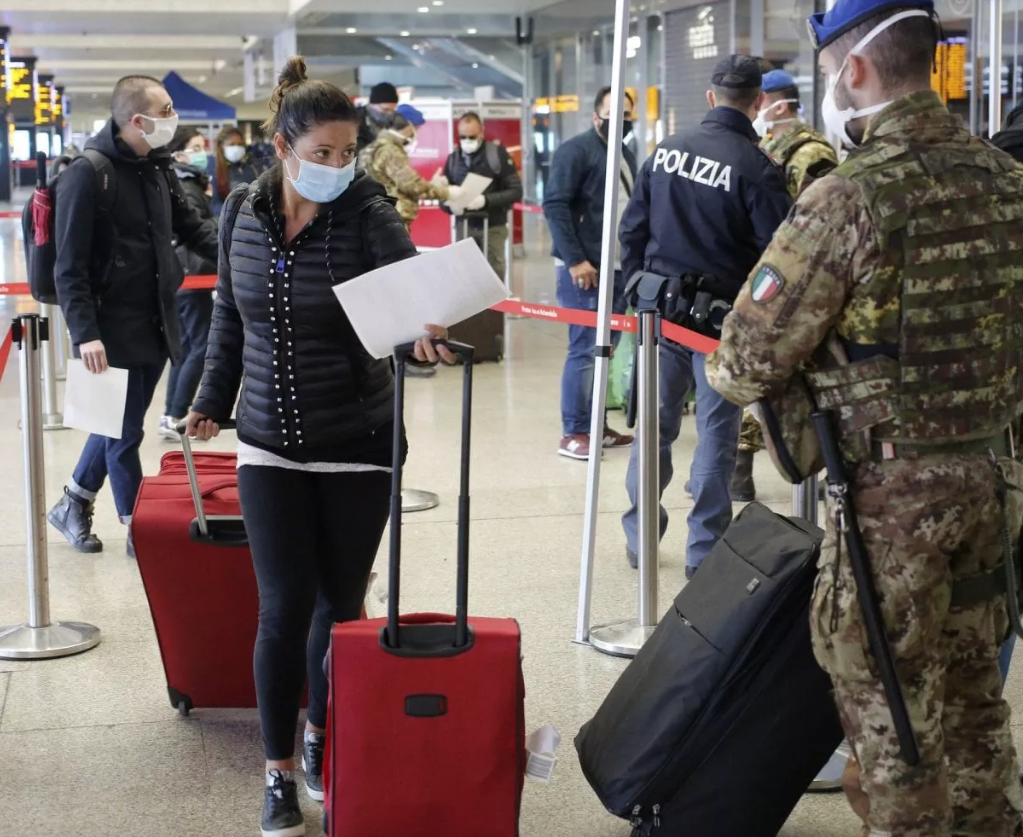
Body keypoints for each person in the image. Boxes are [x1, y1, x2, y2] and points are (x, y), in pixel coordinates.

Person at [705, 0, 1023, 832]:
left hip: (893, 501)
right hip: (993, 481)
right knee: (974, 697)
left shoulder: (848, 196)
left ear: (852, 70)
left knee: (892, 714)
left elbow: (743, 361)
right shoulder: (1007, 179)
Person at [185, 56, 453, 837]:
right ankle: (275, 772)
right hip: (268, 440)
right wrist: (209, 399)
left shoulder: (368, 211)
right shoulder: (241, 211)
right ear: (282, 147)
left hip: (358, 440)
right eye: (322, 152)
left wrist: (423, 336)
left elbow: (404, 304)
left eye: (346, 151)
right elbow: (229, 319)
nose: (337, 164)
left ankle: (320, 736)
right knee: (281, 609)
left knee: (339, 605)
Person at [618, 56, 791, 573]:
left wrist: (640, 289)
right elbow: (779, 258)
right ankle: (704, 553)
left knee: (654, 429)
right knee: (717, 435)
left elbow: (632, 229)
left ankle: (641, 539)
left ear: (711, 97)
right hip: (720, 327)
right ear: (759, 101)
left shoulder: (667, 150)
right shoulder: (758, 168)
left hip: (658, 316)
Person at [46, 75, 219, 559]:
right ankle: (136, 526)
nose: (174, 118)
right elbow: (68, 266)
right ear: (137, 120)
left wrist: (241, 257)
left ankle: (73, 501)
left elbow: (191, 228)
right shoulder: (88, 173)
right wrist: (85, 334)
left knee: (118, 424)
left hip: (155, 320)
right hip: (108, 329)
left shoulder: (157, 168)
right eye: (166, 111)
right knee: (124, 434)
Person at [730, 68, 840, 502]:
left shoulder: (812, 152)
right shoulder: (764, 144)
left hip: (797, 281)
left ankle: (752, 467)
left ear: (776, 104)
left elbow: (822, 223)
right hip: (766, 272)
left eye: (760, 100)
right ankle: (737, 469)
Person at [543, 86, 638, 462]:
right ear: (597, 116)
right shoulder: (576, 150)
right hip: (586, 269)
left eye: (627, 114)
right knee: (584, 348)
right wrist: (575, 260)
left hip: (618, 268)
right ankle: (573, 431)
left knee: (605, 350)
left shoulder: (623, 153)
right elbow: (555, 205)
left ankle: (596, 425)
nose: (622, 121)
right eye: (615, 113)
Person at [158, 126, 217, 440]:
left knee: (186, 348)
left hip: (184, 277)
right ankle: (177, 412)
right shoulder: (188, 188)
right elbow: (198, 234)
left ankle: (171, 413)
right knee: (201, 346)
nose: (202, 154)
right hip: (193, 277)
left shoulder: (186, 184)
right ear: (178, 155)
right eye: (195, 148)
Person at [442, 110, 523, 280]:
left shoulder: (497, 155)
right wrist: (450, 207)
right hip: (464, 226)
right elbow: (443, 195)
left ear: (481, 132)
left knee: (494, 275)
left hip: (492, 226)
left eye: (472, 136)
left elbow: (516, 191)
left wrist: (485, 200)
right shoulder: (453, 159)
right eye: (462, 137)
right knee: (466, 277)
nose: (467, 141)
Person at [360, 103, 463, 228]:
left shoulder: (373, 147)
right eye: (416, 128)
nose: (415, 134)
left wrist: (431, 185)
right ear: (409, 126)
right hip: (390, 222)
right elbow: (413, 186)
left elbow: (392, 184)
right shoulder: (390, 151)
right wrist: (447, 193)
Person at [212, 126, 263, 217]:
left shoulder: (251, 167)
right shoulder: (214, 170)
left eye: (240, 144)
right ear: (221, 147)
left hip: (253, 218)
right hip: (228, 219)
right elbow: (214, 206)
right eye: (231, 144)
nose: (236, 148)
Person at [356, 81, 399, 153]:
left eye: (392, 110)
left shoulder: (393, 119)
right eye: (385, 110)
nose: (389, 114)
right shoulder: (353, 121)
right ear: (372, 104)